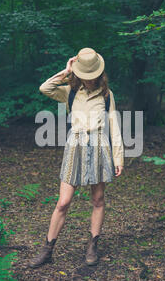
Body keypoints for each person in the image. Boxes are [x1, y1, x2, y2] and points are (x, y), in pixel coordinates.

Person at [28, 47, 124, 268]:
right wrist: (66, 71)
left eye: (93, 76)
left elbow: (114, 127)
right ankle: (47, 250)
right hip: (75, 146)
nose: (89, 80)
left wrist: (119, 158)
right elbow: (45, 88)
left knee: (98, 200)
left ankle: (92, 246)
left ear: (100, 74)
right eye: (85, 76)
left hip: (100, 146)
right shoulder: (69, 92)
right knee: (63, 202)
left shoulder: (107, 95)